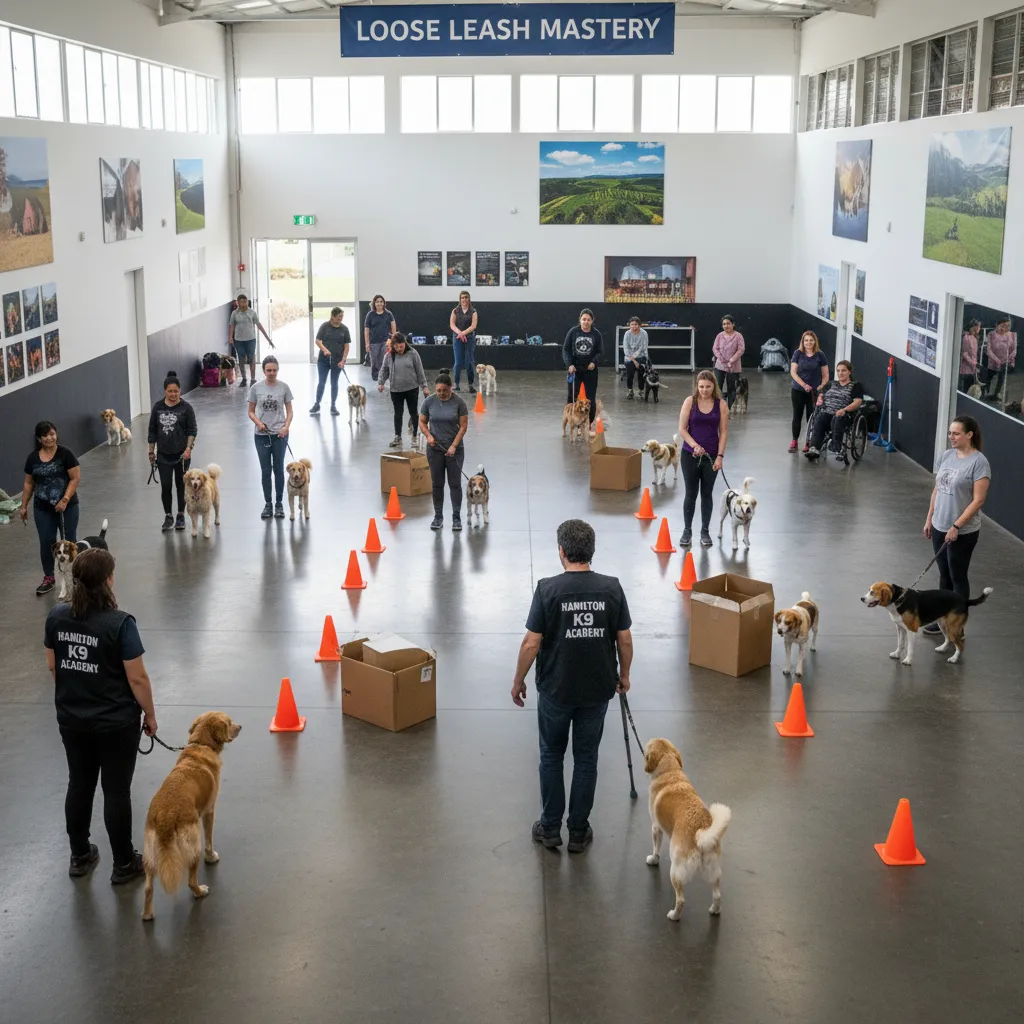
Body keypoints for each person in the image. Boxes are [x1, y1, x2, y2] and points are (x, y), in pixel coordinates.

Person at [511, 519, 633, 853]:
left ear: (562, 552)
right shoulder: (611, 588)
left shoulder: (548, 589)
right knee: (586, 758)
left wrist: (519, 679)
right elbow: (624, 639)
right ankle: (578, 831)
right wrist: (624, 675)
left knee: (551, 755)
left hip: (556, 689)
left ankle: (550, 829)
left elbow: (530, 643)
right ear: (591, 550)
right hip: (597, 689)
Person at [43, 548, 157, 883]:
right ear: (108, 580)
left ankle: (79, 855)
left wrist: (76, 692)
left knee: (79, 784)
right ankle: (123, 863)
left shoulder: (57, 617)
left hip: (72, 718)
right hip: (115, 722)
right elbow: (137, 678)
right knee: (116, 790)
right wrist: (150, 715)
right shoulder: (121, 624)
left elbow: (53, 665)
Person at [922, 416, 991, 632]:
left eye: (956, 433)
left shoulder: (979, 462)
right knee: (944, 574)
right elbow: (937, 489)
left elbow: (978, 500)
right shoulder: (946, 456)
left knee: (957, 575)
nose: (951, 437)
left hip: (963, 531)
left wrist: (957, 526)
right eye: (950, 433)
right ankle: (943, 617)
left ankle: (957, 624)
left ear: (969, 435)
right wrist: (929, 518)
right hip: (939, 525)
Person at [20, 421, 81, 595]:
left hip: (67, 506)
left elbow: (75, 478)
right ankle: (49, 577)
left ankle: (73, 575)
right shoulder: (33, 458)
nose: (50, 438)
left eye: (52, 434)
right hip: (42, 507)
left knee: (69, 540)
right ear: (39, 438)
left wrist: (65, 499)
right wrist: (24, 506)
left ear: (56, 434)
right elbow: (28, 483)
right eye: (45, 435)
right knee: (47, 542)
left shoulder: (66, 454)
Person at [677, 370, 729, 548]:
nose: (704, 390)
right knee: (690, 494)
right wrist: (694, 445)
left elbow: (723, 432)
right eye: (701, 387)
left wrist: (720, 456)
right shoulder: (689, 402)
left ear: (714, 386)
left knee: (707, 494)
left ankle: (705, 531)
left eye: (708, 387)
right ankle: (687, 530)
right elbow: (682, 429)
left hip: (711, 456)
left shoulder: (721, 404)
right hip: (689, 455)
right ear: (696, 386)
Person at [419, 371, 469, 532]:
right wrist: (428, 435)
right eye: (438, 390)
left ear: (451, 387)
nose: (441, 393)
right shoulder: (429, 402)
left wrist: (454, 446)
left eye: (445, 390)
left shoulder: (459, 403)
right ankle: (438, 516)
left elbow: (463, 426)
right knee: (437, 484)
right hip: (435, 450)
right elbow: (422, 421)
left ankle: (456, 517)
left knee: (455, 484)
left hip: (455, 450)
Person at [147, 371, 197, 532]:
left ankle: (181, 515)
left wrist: (189, 448)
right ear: (165, 391)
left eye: (176, 391)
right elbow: (152, 431)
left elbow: (192, 430)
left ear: (180, 391)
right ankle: (168, 515)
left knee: (181, 485)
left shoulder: (186, 408)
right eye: (170, 391)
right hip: (163, 455)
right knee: (166, 486)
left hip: (182, 455)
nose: (173, 394)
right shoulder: (158, 407)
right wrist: (151, 452)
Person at [248, 355, 294, 520]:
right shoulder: (256, 388)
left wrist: (286, 427)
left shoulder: (284, 388)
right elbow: (250, 411)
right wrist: (258, 423)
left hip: (279, 435)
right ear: (264, 371)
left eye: (274, 370)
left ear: (278, 370)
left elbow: (289, 411)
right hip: (261, 435)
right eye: (269, 370)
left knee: (279, 469)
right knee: (265, 470)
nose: (272, 373)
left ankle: (279, 503)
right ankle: (268, 504)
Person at [379, 332, 429, 448]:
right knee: (398, 413)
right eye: (396, 347)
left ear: (405, 344)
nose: (399, 349)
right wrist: (381, 383)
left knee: (413, 412)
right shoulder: (389, 356)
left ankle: (415, 437)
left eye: (401, 346)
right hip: (396, 390)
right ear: (393, 346)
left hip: (412, 388)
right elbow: (384, 370)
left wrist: (424, 386)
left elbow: (419, 370)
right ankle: (398, 437)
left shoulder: (413, 354)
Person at [806, 359, 863, 460]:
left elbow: (857, 402)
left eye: (843, 370)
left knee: (838, 418)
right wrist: (820, 398)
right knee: (820, 418)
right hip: (828, 412)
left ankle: (837, 446)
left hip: (844, 415)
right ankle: (814, 448)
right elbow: (821, 394)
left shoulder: (855, 386)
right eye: (838, 371)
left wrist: (844, 410)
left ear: (850, 372)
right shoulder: (831, 384)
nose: (840, 373)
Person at [789, 330, 830, 453]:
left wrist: (822, 385)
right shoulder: (798, 353)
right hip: (798, 389)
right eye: (806, 340)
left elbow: (825, 374)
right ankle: (794, 440)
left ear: (815, 341)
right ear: (803, 341)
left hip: (814, 392)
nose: (809, 342)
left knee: (812, 417)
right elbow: (793, 372)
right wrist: (804, 385)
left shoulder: (820, 355)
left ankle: (809, 442)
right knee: (797, 415)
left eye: (811, 340)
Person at [563, 308, 603, 429]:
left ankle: (589, 424)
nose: (586, 322)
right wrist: (569, 364)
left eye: (588, 320)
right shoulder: (573, 332)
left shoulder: (596, 334)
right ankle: (572, 422)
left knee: (590, 398)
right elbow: (565, 349)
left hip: (590, 370)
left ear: (592, 321)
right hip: (574, 370)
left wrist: (593, 362)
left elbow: (600, 352)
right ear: (580, 320)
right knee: (572, 397)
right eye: (583, 319)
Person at [310, 306, 351, 416]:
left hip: (337, 361)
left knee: (334, 383)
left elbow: (347, 347)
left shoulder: (344, 329)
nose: (340, 319)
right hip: (323, 360)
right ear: (332, 317)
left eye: (342, 317)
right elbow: (318, 341)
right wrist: (325, 350)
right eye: (338, 317)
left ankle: (333, 405)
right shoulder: (325, 326)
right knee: (322, 382)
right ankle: (317, 404)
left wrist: (343, 360)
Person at [228, 294, 272, 390]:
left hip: (251, 339)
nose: (244, 304)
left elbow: (258, 324)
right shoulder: (234, 313)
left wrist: (267, 338)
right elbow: (232, 325)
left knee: (252, 357)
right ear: (238, 303)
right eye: (242, 302)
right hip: (239, 339)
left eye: (246, 302)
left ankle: (252, 379)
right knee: (241, 359)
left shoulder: (252, 312)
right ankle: (244, 378)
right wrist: (230, 337)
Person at [712, 315, 745, 410]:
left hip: (733, 366)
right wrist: (721, 358)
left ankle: (729, 408)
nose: (726, 326)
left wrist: (731, 360)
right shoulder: (719, 335)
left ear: (733, 324)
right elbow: (715, 348)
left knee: (732, 388)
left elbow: (741, 349)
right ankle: (717, 407)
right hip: (720, 365)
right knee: (717, 387)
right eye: (724, 324)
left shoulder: (738, 336)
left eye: (728, 323)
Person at [450, 290, 479, 393]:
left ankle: (471, 385)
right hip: (457, 338)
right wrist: (460, 333)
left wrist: (464, 333)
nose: (464, 299)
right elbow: (452, 325)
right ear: (460, 299)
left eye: (466, 297)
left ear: (469, 299)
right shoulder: (455, 311)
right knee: (458, 362)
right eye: (462, 297)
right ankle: (456, 384)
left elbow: (473, 326)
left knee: (469, 362)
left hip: (470, 338)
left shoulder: (473, 312)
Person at [364, 294, 397, 383]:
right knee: (374, 361)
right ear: (374, 303)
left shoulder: (388, 314)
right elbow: (366, 330)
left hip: (385, 342)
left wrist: (394, 340)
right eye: (377, 302)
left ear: (383, 303)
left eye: (381, 302)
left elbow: (393, 326)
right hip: (373, 342)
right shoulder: (370, 315)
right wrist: (367, 343)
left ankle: (382, 377)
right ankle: (375, 377)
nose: (379, 303)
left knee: (384, 361)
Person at [984, 316, 1016, 403]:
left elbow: (1014, 349)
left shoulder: (1012, 335)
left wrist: (1009, 359)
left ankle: (996, 395)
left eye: (1007, 326)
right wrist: (997, 360)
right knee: (989, 378)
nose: (1005, 328)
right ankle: (986, 394)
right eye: (1002, 325)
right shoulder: (991, 334)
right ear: (997, 325)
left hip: (1005, 361)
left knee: (1001, 379)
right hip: (993, 361)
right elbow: (989, 350)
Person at [622, 316, 649, 399]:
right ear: (629, 325)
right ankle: (630, 390)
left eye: (636, 324)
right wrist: (634, 360)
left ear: (639, 325)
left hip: (641, 356)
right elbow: (626, 349)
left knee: (641, 373)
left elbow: (642, 348)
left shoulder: (644, 333)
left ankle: (641, 390)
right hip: (629, 357)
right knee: (630, 372)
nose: (634, 326)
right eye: (632, 324)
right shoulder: (627, 334)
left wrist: (636, 359)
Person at [959, 320, 981, 394]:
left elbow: (974, 354)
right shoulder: (966, 337)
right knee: (967, 388)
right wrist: (974, 364)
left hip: (972, 368)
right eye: (978, 327)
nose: (979, 329)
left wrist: (975, 365)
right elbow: (965, 354)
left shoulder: (973, 338)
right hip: (966, 368)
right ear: (973, 327)